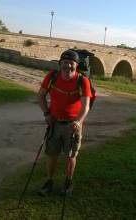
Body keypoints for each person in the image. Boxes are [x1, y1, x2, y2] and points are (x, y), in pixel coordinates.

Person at [37, 49, 92, 196]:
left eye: (71, 63)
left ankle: (68, 181)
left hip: (73, 125)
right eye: (65, 62)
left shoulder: (83, 81)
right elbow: (40, 96)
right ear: (60, 64)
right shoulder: (51, 77)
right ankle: (49, 181)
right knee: (51, 154)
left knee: (71, 155)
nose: (67, 66)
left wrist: (78, 122)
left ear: (76, 65)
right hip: (54, 123)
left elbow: (86, 105)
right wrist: (46, 113)